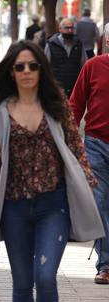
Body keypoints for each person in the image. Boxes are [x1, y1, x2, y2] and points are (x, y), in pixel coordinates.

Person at [0, 40, 103, 302]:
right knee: (22, 282)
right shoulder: (0, 112)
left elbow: (75, 146)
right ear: (11, 72)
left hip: (53, 206)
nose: (27, 71)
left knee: (45, 276)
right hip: (15, 208)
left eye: (33, 65)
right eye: (20, 66)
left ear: (41, 69)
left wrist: (86, 179)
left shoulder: (56, 104)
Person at [70, 23, 109, 285]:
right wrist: (69, 141)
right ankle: (105, 264)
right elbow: (76, 103)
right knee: (101, 204)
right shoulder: (93, 66)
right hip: (96, 144)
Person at [45, 18, 87, 98]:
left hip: (74, 85)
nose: (70, 30)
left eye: (72, 28)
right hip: (57, 85)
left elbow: (84, 64)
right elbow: (46, 65)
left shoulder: (78, 44)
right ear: (60, 29)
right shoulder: (51, 44)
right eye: (67, 28)